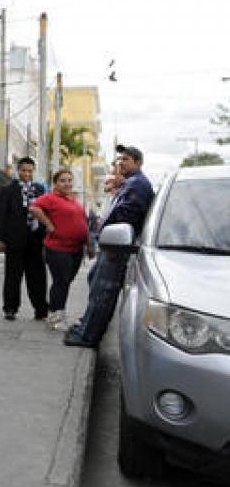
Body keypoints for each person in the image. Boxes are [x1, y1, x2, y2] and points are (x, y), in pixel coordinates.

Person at [63, 144, 154, 348]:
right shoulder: (129, 183)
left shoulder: (138, 184)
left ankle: (88, 337)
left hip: (117, 247)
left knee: (103, 291)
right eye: (119, 159)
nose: (121, 162)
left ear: (138, 163)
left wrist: (112, 235)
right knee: (95, 282)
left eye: (127, 159)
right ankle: (85, 327)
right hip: (111, 244)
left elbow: (127, 218)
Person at [29, 169, 94, 332]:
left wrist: (89, 244)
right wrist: (49, 224)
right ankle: (54, 318)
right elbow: (34, 208)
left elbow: (83, 223)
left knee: (65, 282)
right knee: (61, 282)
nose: (67, 183)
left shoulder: (74, 200)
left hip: (76, 249)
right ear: (56, 183)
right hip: (58, 248)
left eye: (69, 180)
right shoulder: (51, 198)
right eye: (63, 180)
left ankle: (59, 314)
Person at [0, 157, 49, 321]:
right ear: (19, 171)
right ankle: (10, 308)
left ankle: (41, 309)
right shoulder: (8, 190)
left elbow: (47, 212)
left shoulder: (40, 189)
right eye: (24, 170)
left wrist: (46, 233)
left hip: (35, 239)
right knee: (13, 276)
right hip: (14, 239)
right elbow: (0, 214)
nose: (27, 173)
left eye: (30, 171)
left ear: (33, 171)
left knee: (37, 276)